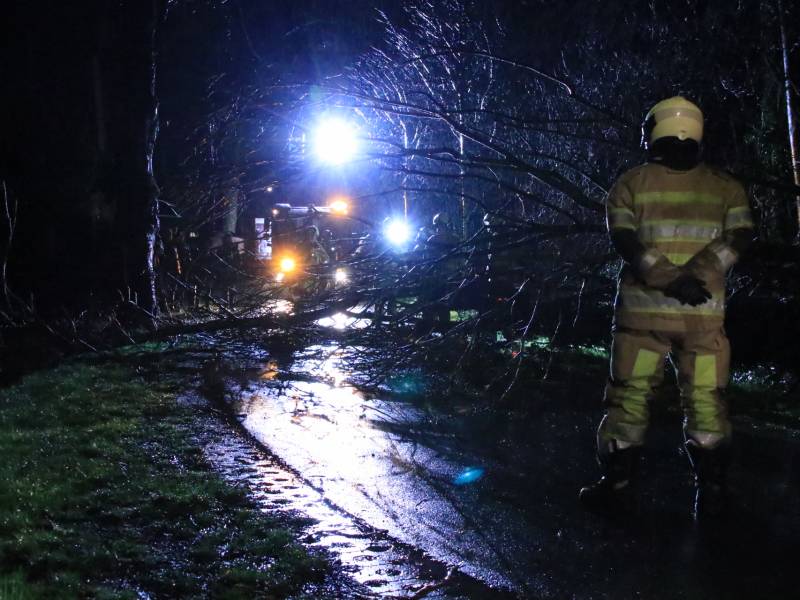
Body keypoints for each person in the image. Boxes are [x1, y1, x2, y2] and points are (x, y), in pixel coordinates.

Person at [579, 97, 754, 518]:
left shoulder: (629, 185)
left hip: (643, 321)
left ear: (655, 130)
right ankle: (712, 492)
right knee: (707, 400)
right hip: (702, 320)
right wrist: (697, 277)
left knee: (630, 398)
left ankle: (617, 486)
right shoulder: (727, 188)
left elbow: (626, 244)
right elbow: (740, 238)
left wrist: (668, 279)